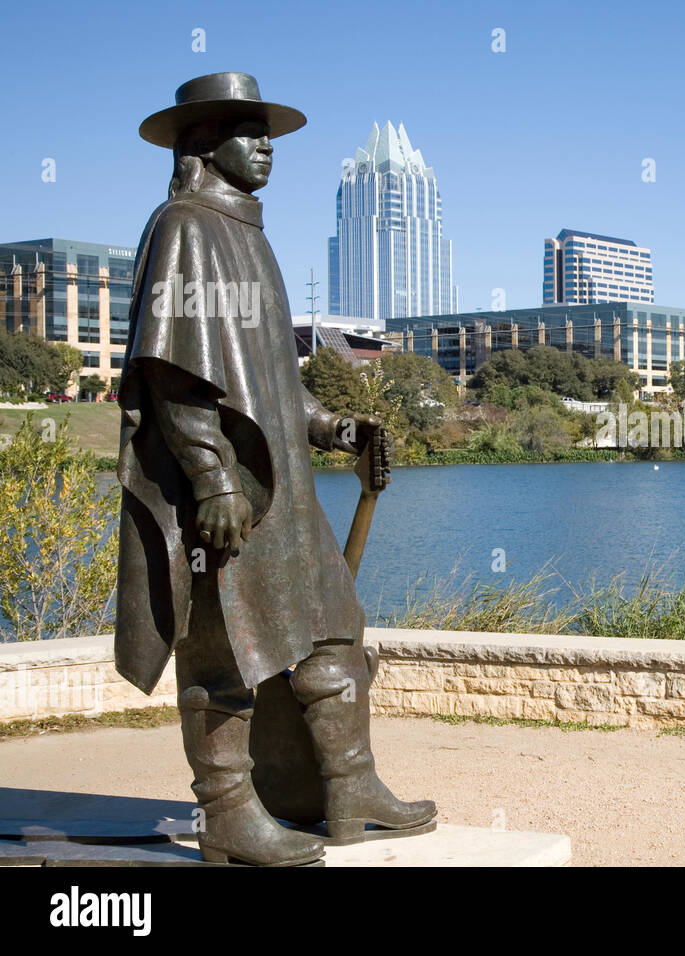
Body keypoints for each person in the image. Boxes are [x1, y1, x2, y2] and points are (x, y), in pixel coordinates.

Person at [115, 73, 434, 865]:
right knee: (221, 649)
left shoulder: (251, 238)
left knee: (335, 632)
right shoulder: (183, 227)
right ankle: (227, 813)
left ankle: (349, 788)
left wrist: (334, 426)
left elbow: (273, 382)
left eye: (270, 135)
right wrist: (211, 475)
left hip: (283, 492)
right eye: (247, 131)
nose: (265, 146)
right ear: (203, 141)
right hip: (228, 491)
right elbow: (170, 373)